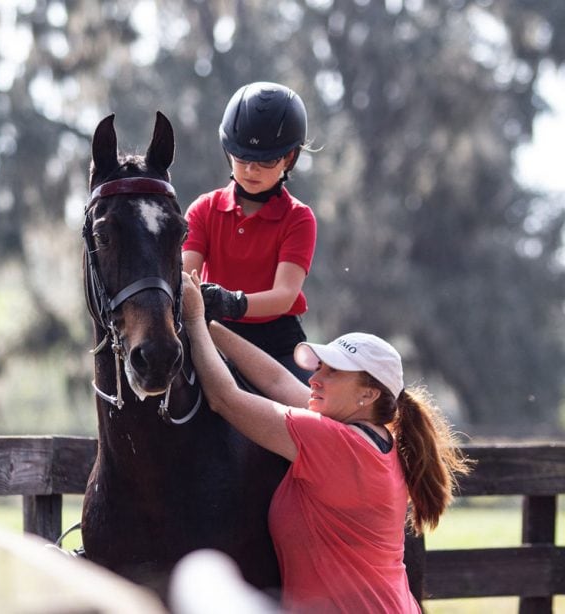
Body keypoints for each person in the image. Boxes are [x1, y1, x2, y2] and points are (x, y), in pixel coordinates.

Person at [181, 271, 471, 613]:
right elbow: (277, 380)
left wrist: (193, 318)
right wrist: (212, 327)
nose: (315, 378)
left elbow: (226, 398)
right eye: (319, 368)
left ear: (368, 393)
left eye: (332, 372)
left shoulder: (334, 443)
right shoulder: (370, 438)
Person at [182, 82, 317, 380]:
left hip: (277, 346)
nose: (251, 170)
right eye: (242, 158)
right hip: (212, 335)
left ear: (289, 158)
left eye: (266, 160)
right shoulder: (203, 210)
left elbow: (283, 295)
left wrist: (231, 301)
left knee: (315, 414)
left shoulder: (299, 219)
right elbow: (184, 278)